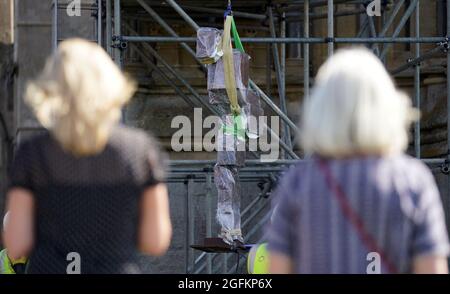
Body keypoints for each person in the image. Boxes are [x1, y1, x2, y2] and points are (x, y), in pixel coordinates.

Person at [267, 48, 450, 274]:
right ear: (387, 107)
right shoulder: (413, 180)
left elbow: (276, 269)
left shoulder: (298, 182)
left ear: (321, 109)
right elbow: (432, 268)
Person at [4, 39, 172, 274]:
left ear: (52, 89)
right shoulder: (140, 150)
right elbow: (155, 241)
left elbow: (16, 243)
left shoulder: (32, 154)